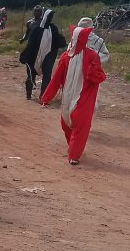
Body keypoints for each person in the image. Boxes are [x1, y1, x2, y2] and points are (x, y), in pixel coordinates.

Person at [41, 27, 106, 165]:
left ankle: (74, 155)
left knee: (81, 123)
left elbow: (99, 78)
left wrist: (94, 69)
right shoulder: (66, 56)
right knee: (65, 123)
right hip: (68, 95)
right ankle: (73, 146)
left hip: (85, 96)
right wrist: (47, 97)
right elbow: (57, 78)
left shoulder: (92, 56)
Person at [19, 9, 67, 100]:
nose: (50, 18)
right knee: (31, 75)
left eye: (51, 17)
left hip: (48, 57)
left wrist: (61, 39)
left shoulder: (53, 28)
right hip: (34, 56)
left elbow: (60, 42)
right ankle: (29, 96)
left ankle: (43, 97)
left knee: (46, 76)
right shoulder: (37, 29)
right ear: (45, 16)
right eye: (49, 16)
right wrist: (25, 55)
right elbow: (31, 43)